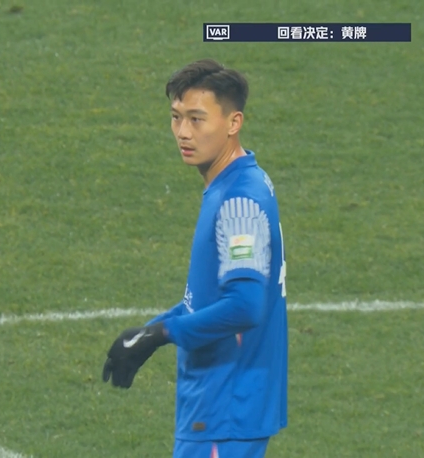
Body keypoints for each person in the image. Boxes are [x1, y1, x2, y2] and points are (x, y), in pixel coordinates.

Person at [101, 58, 288, 458]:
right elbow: (207, 297)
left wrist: (164, 334)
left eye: (197, 119)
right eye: (176, 117)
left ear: (233, 123)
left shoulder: (239, 200)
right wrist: (152, 331)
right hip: (222, 406)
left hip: (225, 408)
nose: (183, 132)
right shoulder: (237, 183)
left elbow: (245, 305)